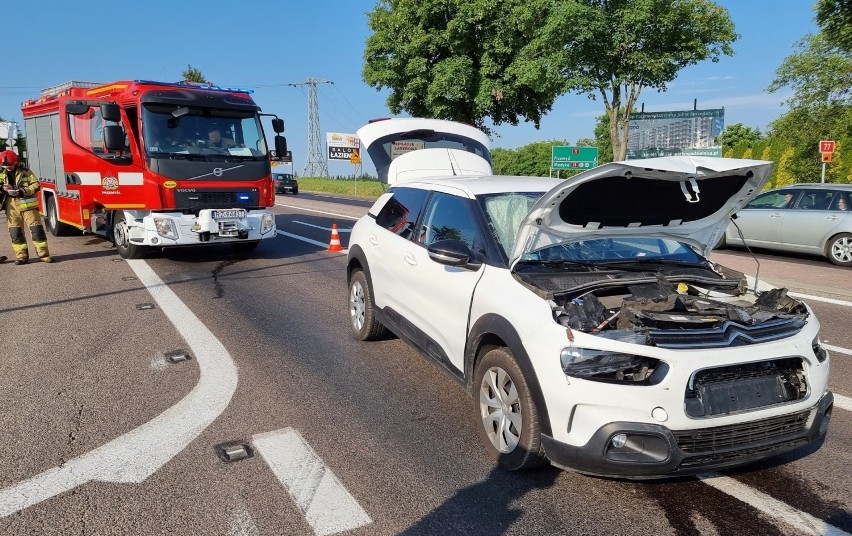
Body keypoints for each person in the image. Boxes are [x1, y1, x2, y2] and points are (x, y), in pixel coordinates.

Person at [0, 150, 53, 264]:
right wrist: (3, 188)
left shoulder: (26, 172)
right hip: (11, 207)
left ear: (16, 162)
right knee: (15, 233)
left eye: (10, 165)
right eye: (6, 166)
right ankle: (21, 257)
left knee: (37, 231)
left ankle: (44, 255)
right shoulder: (1, 173)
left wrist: (23, 191)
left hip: (29, 206)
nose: (8, 168)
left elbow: (36, 185)